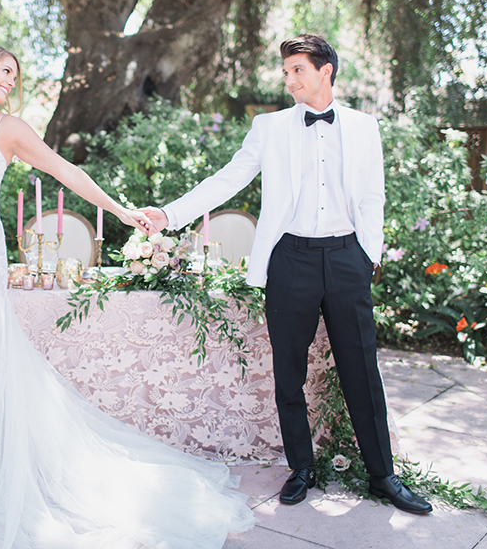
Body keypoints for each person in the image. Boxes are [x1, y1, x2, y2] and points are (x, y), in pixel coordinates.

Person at [0, 41, 255, 547]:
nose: (10, 81)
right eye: (5, 71)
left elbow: (67, 172)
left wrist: (122, 211)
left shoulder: (8, 129)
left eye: (15, 76)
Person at [141, 34, 432, 514]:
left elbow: (373, 197)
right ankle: (302, 468)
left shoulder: (364, 127)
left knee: (362, 369)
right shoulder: (269, 127)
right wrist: (169, 215)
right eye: (286, 71)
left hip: (346, 259)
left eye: (298, 69)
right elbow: (228, 178)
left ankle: (383, 476)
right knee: (288, 372)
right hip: (290, 261)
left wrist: (367, 257)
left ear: (326, 71)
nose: (289, 79)